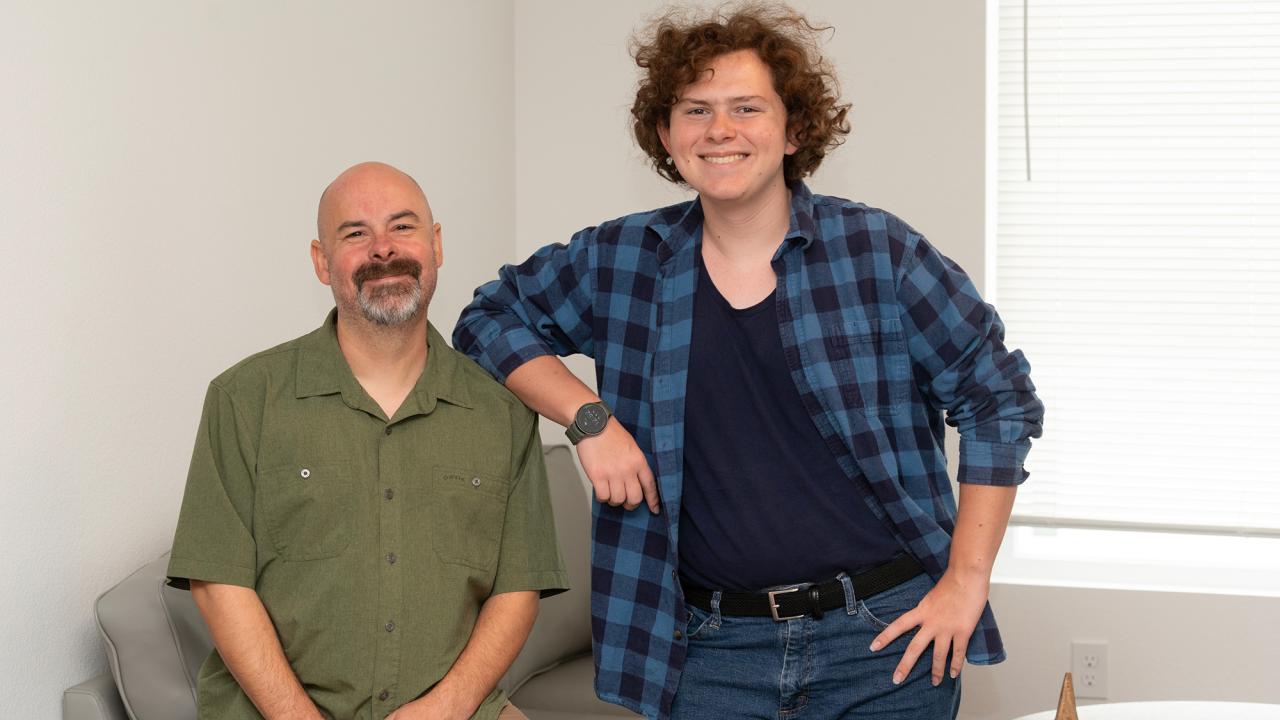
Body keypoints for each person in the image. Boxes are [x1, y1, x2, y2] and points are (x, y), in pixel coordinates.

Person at [455, 4, 1044, 719]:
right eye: (695, 110)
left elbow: (998, 398)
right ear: (667, 135)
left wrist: (967, 579)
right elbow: (488, 318)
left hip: (885, 643)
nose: (719, 130)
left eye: (746, 107)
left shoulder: (878, 253)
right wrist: (589, 419)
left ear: (794, 130)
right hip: (708, 653)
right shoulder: (621, 261)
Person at [167, 162, 568, 720]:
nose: (383, 248)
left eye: (402, 227)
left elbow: (518, 589)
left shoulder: (502, 412)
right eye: (355, 233)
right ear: (321, 261)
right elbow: (217, 584)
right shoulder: (244, 399)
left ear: (436, 244)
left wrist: (448, 706)